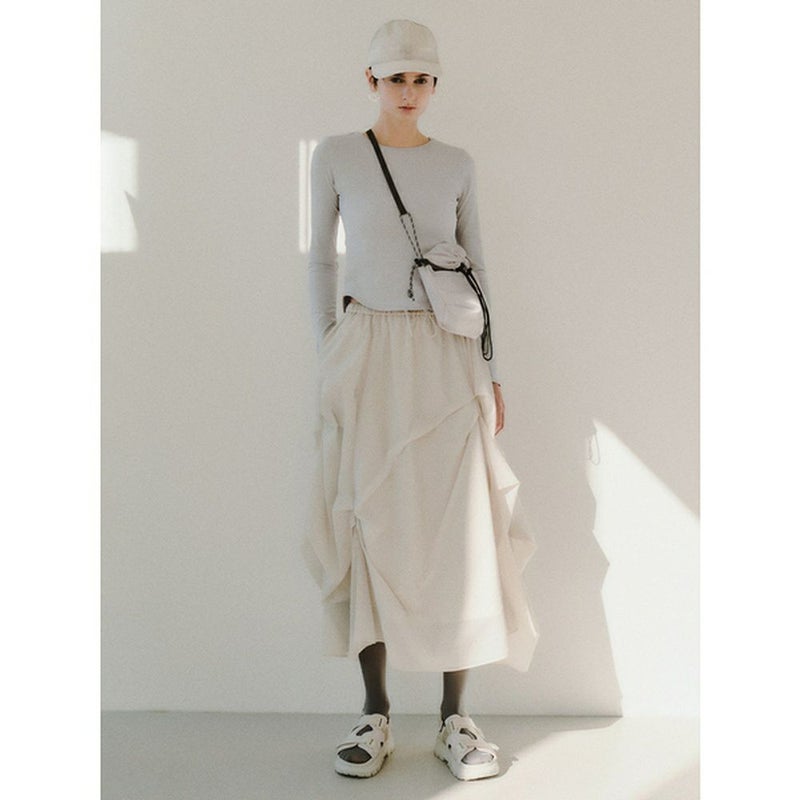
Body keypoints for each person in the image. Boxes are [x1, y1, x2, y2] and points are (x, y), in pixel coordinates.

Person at [302, 18, 539, 781]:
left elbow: (479, 269)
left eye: (421, 79)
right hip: (368, 349)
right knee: (368, 520)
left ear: (434, 85)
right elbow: (320, 258)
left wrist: (492, 371)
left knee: (458, 528)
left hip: (446, 355)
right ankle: (375, 713)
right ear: (371, 80)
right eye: (396, 77)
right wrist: (330, 346)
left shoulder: (457, 164)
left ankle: (453, 719)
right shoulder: (337, 155)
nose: (409, 91)